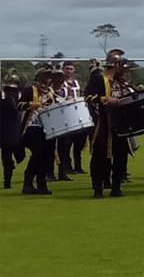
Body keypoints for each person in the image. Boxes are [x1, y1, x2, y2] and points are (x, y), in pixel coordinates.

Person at [84, 50, 133, 198]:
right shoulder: (99, 79)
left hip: (120, 123)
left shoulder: (121, 81)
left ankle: (116, 187)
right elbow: (88, 97)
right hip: (103, 123)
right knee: (100, 156)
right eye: (120, 64)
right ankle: (98, 188)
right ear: (115, 64)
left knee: (120, 156)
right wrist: (106, 99)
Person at [16, 67, 60, 195]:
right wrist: (31, 104)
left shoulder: (51, 93)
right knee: (37, 155)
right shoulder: (30, 90)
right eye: (45, 77)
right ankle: (28, 183)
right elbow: (19, 105)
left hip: (48, 128)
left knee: (47, 156)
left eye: (49, 77)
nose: (47, 80)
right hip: (33, 127)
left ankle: (42, 183)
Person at [54, 60, 86, 178]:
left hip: (77, 114)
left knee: (79, 142)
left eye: (71, 69)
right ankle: (67, 166)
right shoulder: (60, 83)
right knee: (66, 143)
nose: (68, 71)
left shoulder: (76, 83)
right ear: (63, 69)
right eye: (67, 69)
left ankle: (78, 165)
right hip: (65, 115)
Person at [1, 70, 24, 189]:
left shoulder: (19, 93)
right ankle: (7, 180)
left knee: (18, 151)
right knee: (6, 154)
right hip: (4, 126)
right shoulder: (2, 93)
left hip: (16, 126)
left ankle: (10, 166)